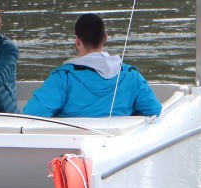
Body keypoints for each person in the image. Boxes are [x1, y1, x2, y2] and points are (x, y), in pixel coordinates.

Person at [22, 13, 161, 118]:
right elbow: (154, 110)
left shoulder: (63, 77)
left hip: (73, 149)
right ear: (105, 37)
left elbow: (32, 112)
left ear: (77, 41)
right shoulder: (131, 75)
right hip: (118, 145)